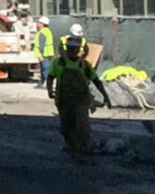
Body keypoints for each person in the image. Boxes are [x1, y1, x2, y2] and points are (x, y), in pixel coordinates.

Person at [48, 25, 109, 164]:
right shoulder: (59, 63)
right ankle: (72, 147)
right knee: (66, 127)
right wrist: (49, 90)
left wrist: (105, 95)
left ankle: (81, 151)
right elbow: (50, 77)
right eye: (70, 49)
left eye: (75, 49)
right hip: (63, 101)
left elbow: (96, 80)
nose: (73, 51)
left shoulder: (83, 65)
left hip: (81, 101)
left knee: (82, 127)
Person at [33, 16, 56, 88]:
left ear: (42, 24)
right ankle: (41, 83)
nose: (37, 24)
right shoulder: (48, 31)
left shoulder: (42, 32)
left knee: (45, 68)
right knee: (43, 68)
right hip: (48, 52)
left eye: (39, 23)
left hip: (44, 53)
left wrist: (40, 52)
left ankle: (48, 83)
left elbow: (41, 43)